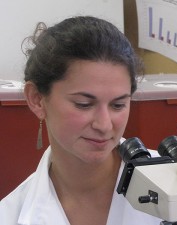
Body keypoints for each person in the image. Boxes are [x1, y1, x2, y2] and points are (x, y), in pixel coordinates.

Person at [0, 16, 162, 225]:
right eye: (84, 104)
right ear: (37, 99)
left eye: (118, 105)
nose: (104, 125)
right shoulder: (10, 216)